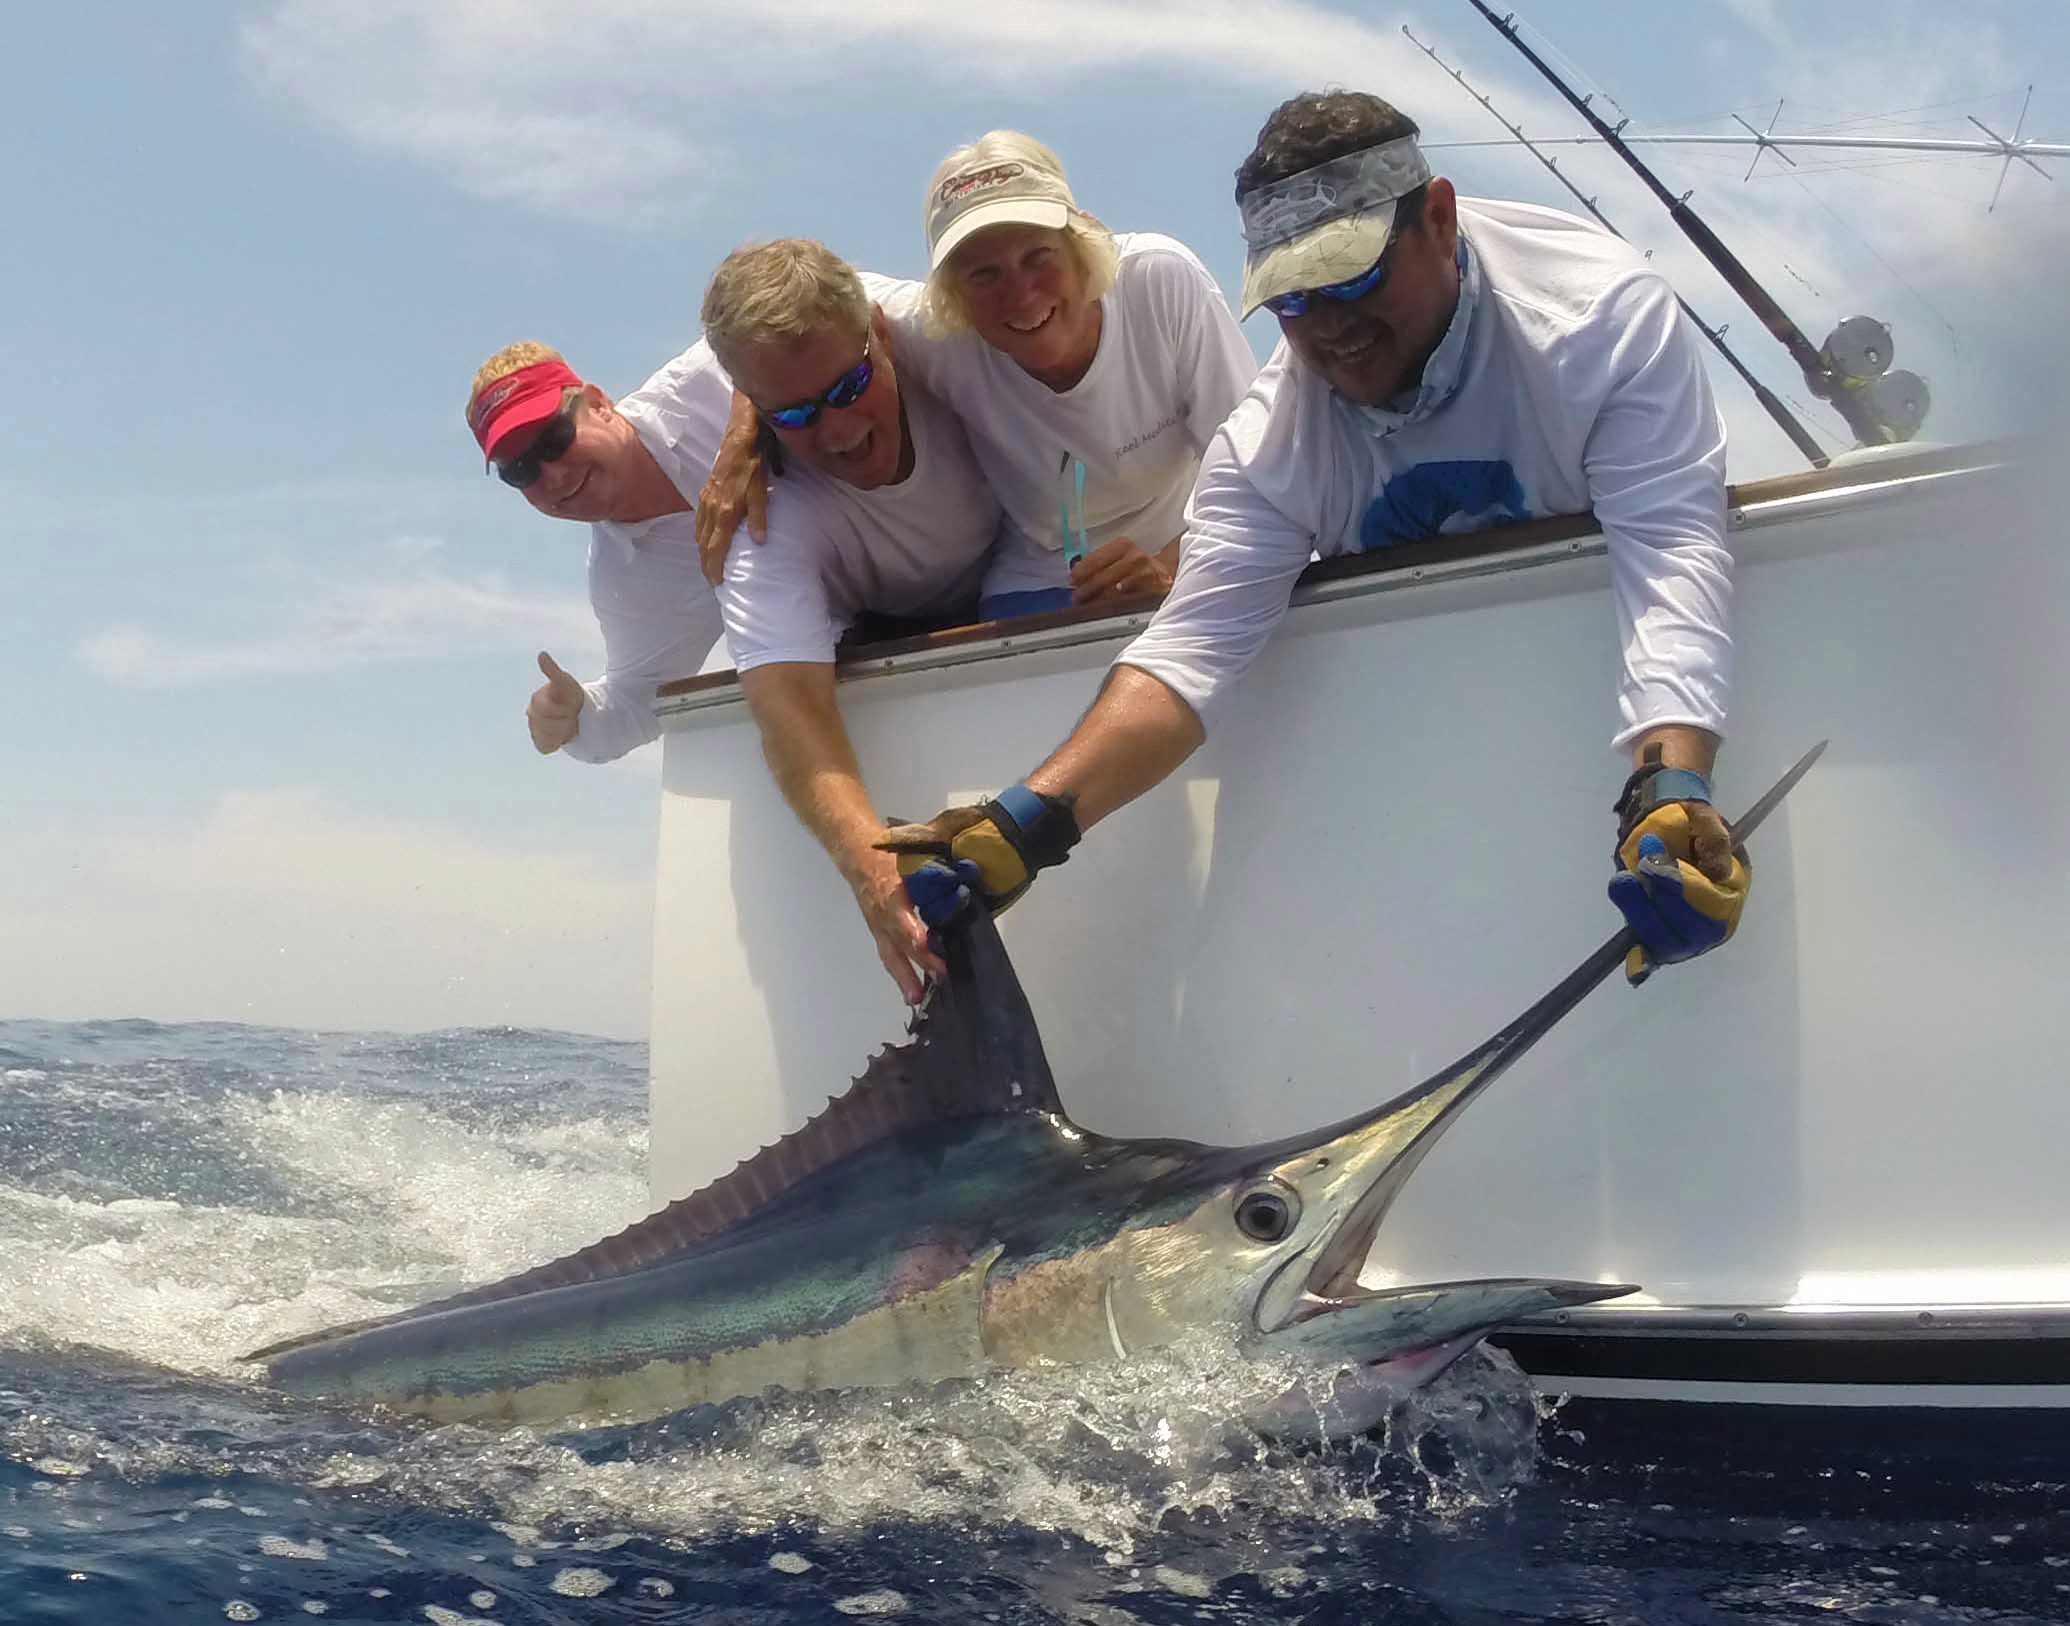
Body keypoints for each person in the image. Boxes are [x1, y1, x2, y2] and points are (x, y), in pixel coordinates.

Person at [880, 91, 1749, 988]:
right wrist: (1025, 823)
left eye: (1352, 277)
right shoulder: (1271, 439)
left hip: (1595, 734)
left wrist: (1672, 785)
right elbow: (1188, 653)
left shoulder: (1599, 321)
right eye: (1292, 299)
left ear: (1439, 218)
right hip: (1427, 785)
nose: (1327, 328)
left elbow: (1673, 550)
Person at [696, 131, 1256, 619]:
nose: (1020, 294)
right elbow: (783, 317)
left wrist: (1168, 570)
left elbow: (1257, 478)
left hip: (1190, 541)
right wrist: (744, 436)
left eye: (1038, 256)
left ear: (1081, 241)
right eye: (983, 274)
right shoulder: (937, 333)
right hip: (1043, 578)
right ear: (951, 294)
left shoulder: (1160, 284)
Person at [699, 238, 1005, 1004]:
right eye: (794, 415)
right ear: (749, 402)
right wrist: (875, 874)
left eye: (850, 387)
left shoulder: (945, 334)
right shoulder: (769, 531)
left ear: (880, 329)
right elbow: (789, 709)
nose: (837, 432)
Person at [465, 341, 729, 764]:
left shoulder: (711, 380)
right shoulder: (623, 574)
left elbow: (863, 301)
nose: (552, 475)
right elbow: (638, 698)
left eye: (555, 439)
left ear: (598, 402)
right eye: (521, 470)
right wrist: (576, 718)